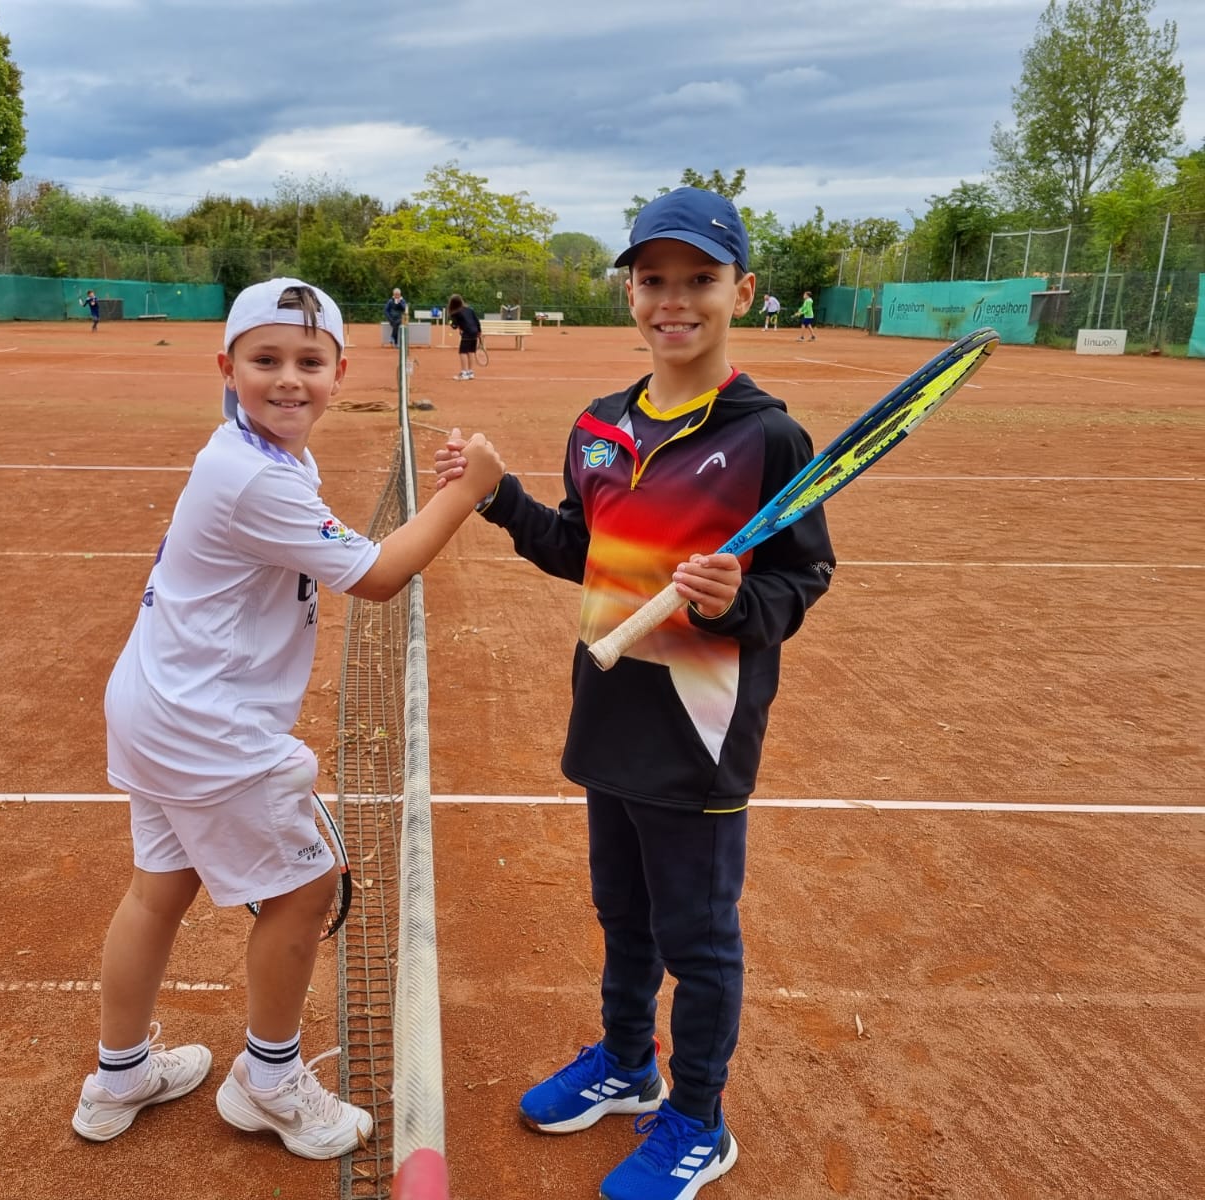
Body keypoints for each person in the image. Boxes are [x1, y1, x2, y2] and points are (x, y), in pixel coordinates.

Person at [433, 189, 835, 1200]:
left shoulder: (769, 438)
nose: (674, 300)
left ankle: (697, 1118)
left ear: (743, 290)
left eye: (699, 279)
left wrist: (741, 602)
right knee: (622, 911)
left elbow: (803, 576)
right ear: (629, 292)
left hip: (700, 732)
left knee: (698, 938)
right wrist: (498, 496)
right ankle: (626, 1065)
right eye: (653, 279)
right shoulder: (597, 427)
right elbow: (583, 548)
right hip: (609, 710)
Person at [73, 277, 504, 1161]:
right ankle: (267, 1084)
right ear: (226, 367)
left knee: (159, 888)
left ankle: (119, 1076)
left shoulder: (251, 453)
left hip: (157, 702)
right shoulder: (256, 477)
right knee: (306, 889)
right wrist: (468, 493)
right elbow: (378, 575)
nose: (288, 379)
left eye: (309, 361)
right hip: (206, 723)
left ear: (339, 374)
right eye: (265, 359)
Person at [446, 293, 481, 380]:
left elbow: (454, 326)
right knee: (471, 352)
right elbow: (477, 321)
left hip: (467, 333)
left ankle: (464, 373)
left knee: (463, 352)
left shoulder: (455, 313)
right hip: (474, 332)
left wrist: (450, 322)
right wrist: (479, 331)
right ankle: (470, 372)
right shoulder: (470, 310)